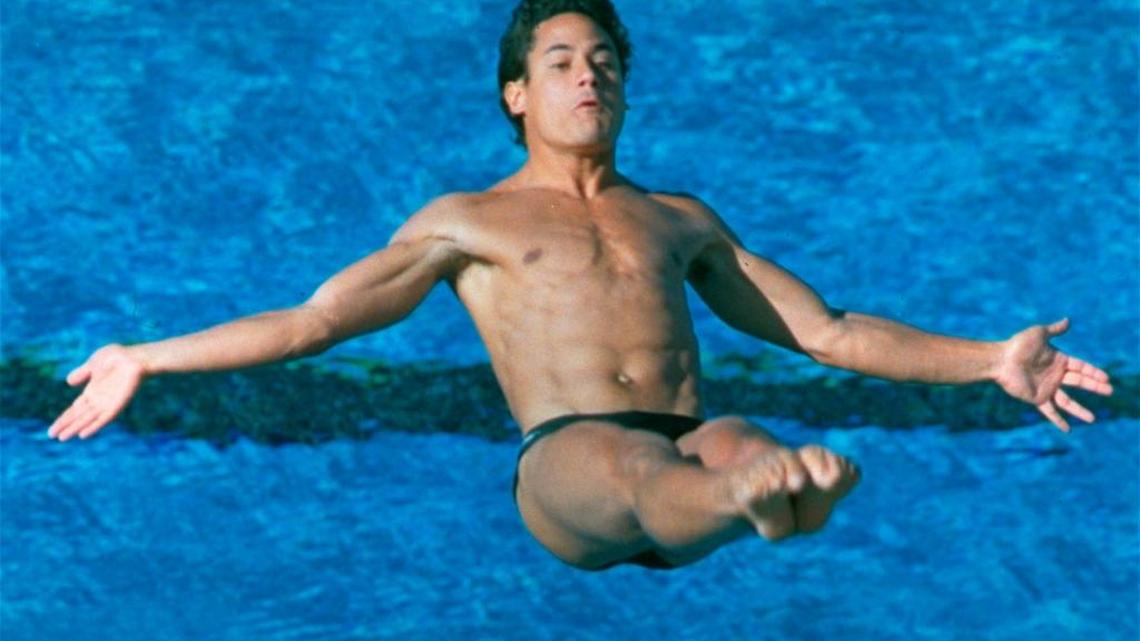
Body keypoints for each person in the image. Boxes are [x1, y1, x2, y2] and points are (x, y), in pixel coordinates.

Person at [48, 0, 1114, 571]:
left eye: (604, 59)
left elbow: (826, 330)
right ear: (517, 92)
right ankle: (762, 503)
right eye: (560, 60)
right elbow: (315, 319)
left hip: (687, 440)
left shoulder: (681, 220)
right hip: (568, 462)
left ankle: (764, 497)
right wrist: (146, 353)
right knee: (649, 465)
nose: (587, 74)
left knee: (738, 433)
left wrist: (992, 361)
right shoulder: (466, 220)